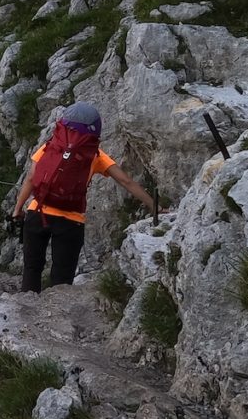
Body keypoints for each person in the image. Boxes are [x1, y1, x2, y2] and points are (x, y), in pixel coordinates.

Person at [11, 101, 157, 293]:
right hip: (71, 222)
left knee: (32, 269)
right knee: (62, 278)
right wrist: (154, 206)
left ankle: (27, 318)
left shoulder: (51, 146)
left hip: (37, 213)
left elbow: (31, 178)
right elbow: (126, 182)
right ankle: (58, 317)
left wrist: (17, 209)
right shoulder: (95, 155)